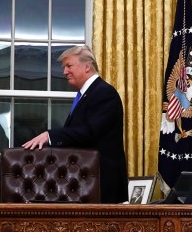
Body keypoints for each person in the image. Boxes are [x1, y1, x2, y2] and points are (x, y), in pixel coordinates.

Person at [22, 45, 129, 203]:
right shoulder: (87, 94)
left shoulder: (104, 93)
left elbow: (89, 132)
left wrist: (50, 135)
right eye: (64, 67)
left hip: (101, 184)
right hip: (85, 182)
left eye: (69, 66)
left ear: (87, 66)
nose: (65, 72)